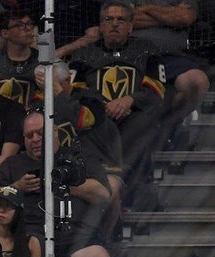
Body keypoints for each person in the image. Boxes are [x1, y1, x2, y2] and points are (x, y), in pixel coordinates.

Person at [0, 111, 112, 257]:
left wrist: (64, 184)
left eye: (41, 133)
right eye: (29, 135)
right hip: (27, 241)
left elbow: (103, 194)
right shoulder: (13, 164)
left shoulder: (78, 158)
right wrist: (16, 187)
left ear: (54, 132)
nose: (35, 139)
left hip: (74, 240)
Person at [60, 0, 167, 185]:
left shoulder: (146, 49)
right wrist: (101, 106)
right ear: (101, 26)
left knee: (143, 122)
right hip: (98, 117)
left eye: (121, 19)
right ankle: (99, 183)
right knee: (86, 123)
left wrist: (130, 100)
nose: (115, 24)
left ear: (130, 27)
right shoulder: (84, 54)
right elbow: (74, 91)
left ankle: (136, 188)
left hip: (134, 115)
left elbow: (157, 89)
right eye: (108, 19)